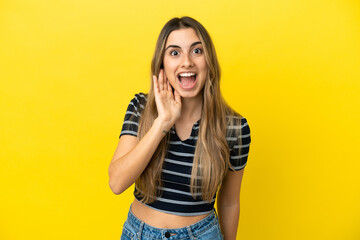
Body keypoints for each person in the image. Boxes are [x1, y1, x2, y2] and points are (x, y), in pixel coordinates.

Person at [108, 16, 251, 240]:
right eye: (175, 53)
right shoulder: (141, 107)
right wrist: (162, 123)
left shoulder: (234, 127)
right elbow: (117, 183)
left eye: (197, 51)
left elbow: (229, 201)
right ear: (162, 64)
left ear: (209, 61)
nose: (186, 62)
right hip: (139, 234)